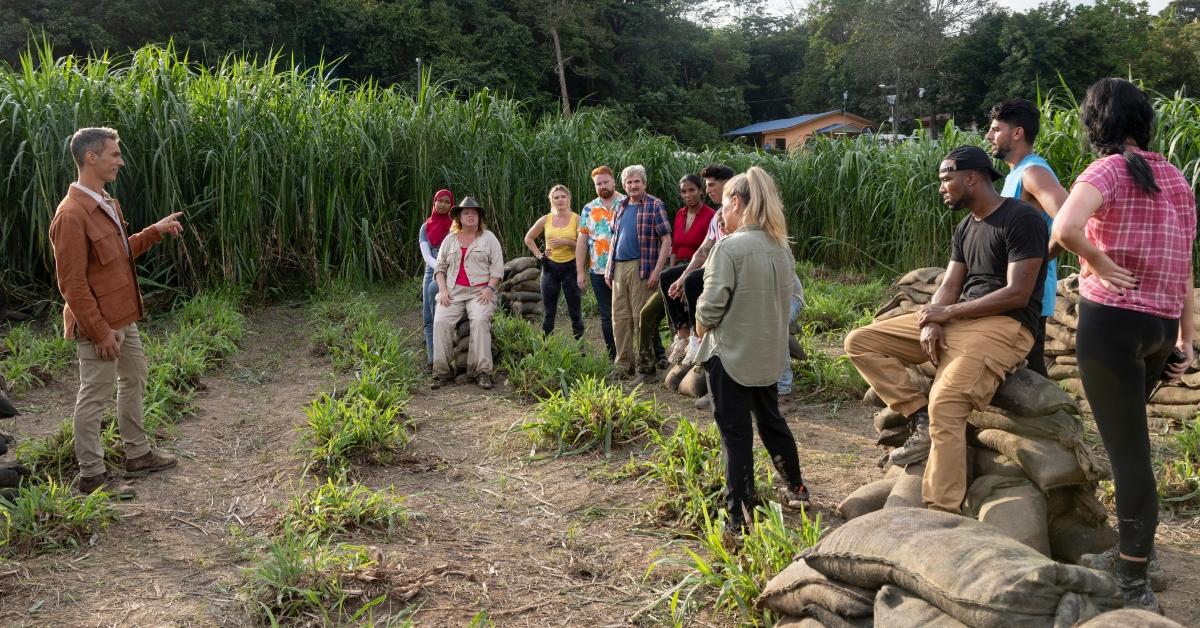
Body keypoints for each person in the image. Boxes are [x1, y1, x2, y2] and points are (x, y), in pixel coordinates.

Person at [1050, 78, 1196, 612]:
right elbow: (1185, 266)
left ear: (1097, 124)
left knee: (1130, 454)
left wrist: (1103, 262)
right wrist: (1187, 339)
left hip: (1111, 325)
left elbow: (1065, 226)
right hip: (1158, 328)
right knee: (1135, 445)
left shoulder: (1106, 170)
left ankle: (1133, 576)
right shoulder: (1177, 178)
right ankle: (1143, 553)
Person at [843, 145, 1047, 514]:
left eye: (946, 178)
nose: (941, 187)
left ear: (971, 178)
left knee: (948, 403)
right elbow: (950, 283)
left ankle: (941, 511)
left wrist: (947, 314)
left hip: (1004, 326)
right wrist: (934, 317)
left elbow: (1018, 293)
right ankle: (916, 413)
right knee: (860, 341)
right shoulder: (966, 226)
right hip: (961, 319)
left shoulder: (1022, 219)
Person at [48, 127, 185, 499]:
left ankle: (137, 455)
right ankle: (92, 476)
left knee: (135, 378)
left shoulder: (106, 201)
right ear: (90, 157)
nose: (120, 161)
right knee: (93, 396)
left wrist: (154, 231)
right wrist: (99, 331)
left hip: (123, 317)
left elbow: (120, 255)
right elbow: (72, 284)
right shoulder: (72, 215)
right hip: (100, 325)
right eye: (114, 154)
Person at [693, 166, 810, 536]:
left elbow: (710, 307)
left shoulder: (730, 247)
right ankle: (797, 487)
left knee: (735, 435)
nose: (722, 214)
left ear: (737, 202)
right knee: (772, 421)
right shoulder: (781, 246)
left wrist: (697, 324)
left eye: (725, 205)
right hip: (768, 357)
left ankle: (736, 515)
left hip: (730, 356)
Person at [987, 99, 1068, 377]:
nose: (989, 136)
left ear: (1017, 133)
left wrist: (1039, 259)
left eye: (996, 129)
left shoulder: (1034, 173)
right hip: (1013, 291)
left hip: (1029, 295)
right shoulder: (1015, 175)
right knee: (1022, 372)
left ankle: (1060, 420)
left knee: (1031, 374)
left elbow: (1068, 220)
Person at [605, 165, 671, 382]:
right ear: (624, 186)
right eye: (629, 182)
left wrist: (657, 270)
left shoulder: (654, 205)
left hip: (641, 267)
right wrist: (609, 269)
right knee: (620, 318)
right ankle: (624, 365)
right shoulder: (620, 207)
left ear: (644, 183)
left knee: (640, 318)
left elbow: (666, 240)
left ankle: (646, 367)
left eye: (637, 182)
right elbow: (614, 241)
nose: (633, 186)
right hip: (619, 267)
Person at [432, 197, 505, 390]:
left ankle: (482, 372)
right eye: (466, 213)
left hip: (480, 292)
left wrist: (490, 288)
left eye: (474, 213)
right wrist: (443, 291)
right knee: (440, 322)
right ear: (459, 217)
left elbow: (497, 268)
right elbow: (439, 268)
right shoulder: (450, 240)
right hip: (453, 292)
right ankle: (442, 373)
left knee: (480, 321)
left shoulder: (489, 238)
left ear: (479, 217)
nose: (470, 216)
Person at [668, 164, 735, 367]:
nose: (709, 190)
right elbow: (704, 249)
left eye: (712, 185)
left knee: (693, 280)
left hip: (732, 268)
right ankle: (683, 335)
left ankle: (698, 337)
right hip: (714, 265)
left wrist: (688, 276)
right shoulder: (718, 215)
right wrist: (680, 277)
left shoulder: (738, 211)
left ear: (727, 184)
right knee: (671, 277)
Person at [661, 174, 716, 364]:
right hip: (681, 265)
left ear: (701, 191)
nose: (687, 195)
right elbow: (675, 247)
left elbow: (708, 251)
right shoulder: (680, 214)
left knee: (690, 283)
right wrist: (676, 277)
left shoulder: (710, 215)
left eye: (692, 190)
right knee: (666, 276)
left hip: (700, 265)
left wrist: (686, 278)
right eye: (683, 191)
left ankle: (694, 337)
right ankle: (681, 333)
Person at [524, 184, 584, 339]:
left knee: (575, 312)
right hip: (550, 268)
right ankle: (546, 349)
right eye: (556, 197)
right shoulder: (546, 219)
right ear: (551, 200)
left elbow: (585, 245)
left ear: (568, 199)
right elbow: (529, 238)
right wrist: (539, 255)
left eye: (563, 196)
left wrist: (568, 242)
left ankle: (581, 350)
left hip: (571, 268)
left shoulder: (577, 219)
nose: (560, 200)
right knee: (549, 313)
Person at [576, 167, 625, 359]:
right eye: (598, 184)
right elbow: (582, 241)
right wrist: (580, 271)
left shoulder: (626, 203)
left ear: (613, 182)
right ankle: (614, 357)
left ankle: (636, 355)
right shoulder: (589, 208)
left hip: (623, 268)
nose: (602, 186)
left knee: (629, 314)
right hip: (597, 270)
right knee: (606, 315)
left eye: (605, 182)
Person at [419, 189, 455, 370]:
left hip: (451, 271)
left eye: (447, 202)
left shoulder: (455, 227)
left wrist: (445, 271)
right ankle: (432, 359)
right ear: (434, 203)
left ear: (452, 206)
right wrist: (438, 269)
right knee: (428, 317)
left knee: (441, 315)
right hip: (430, 270)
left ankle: (447, 356)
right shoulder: (425, 227)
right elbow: (427, 256)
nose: (442, 205)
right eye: (439, 201)